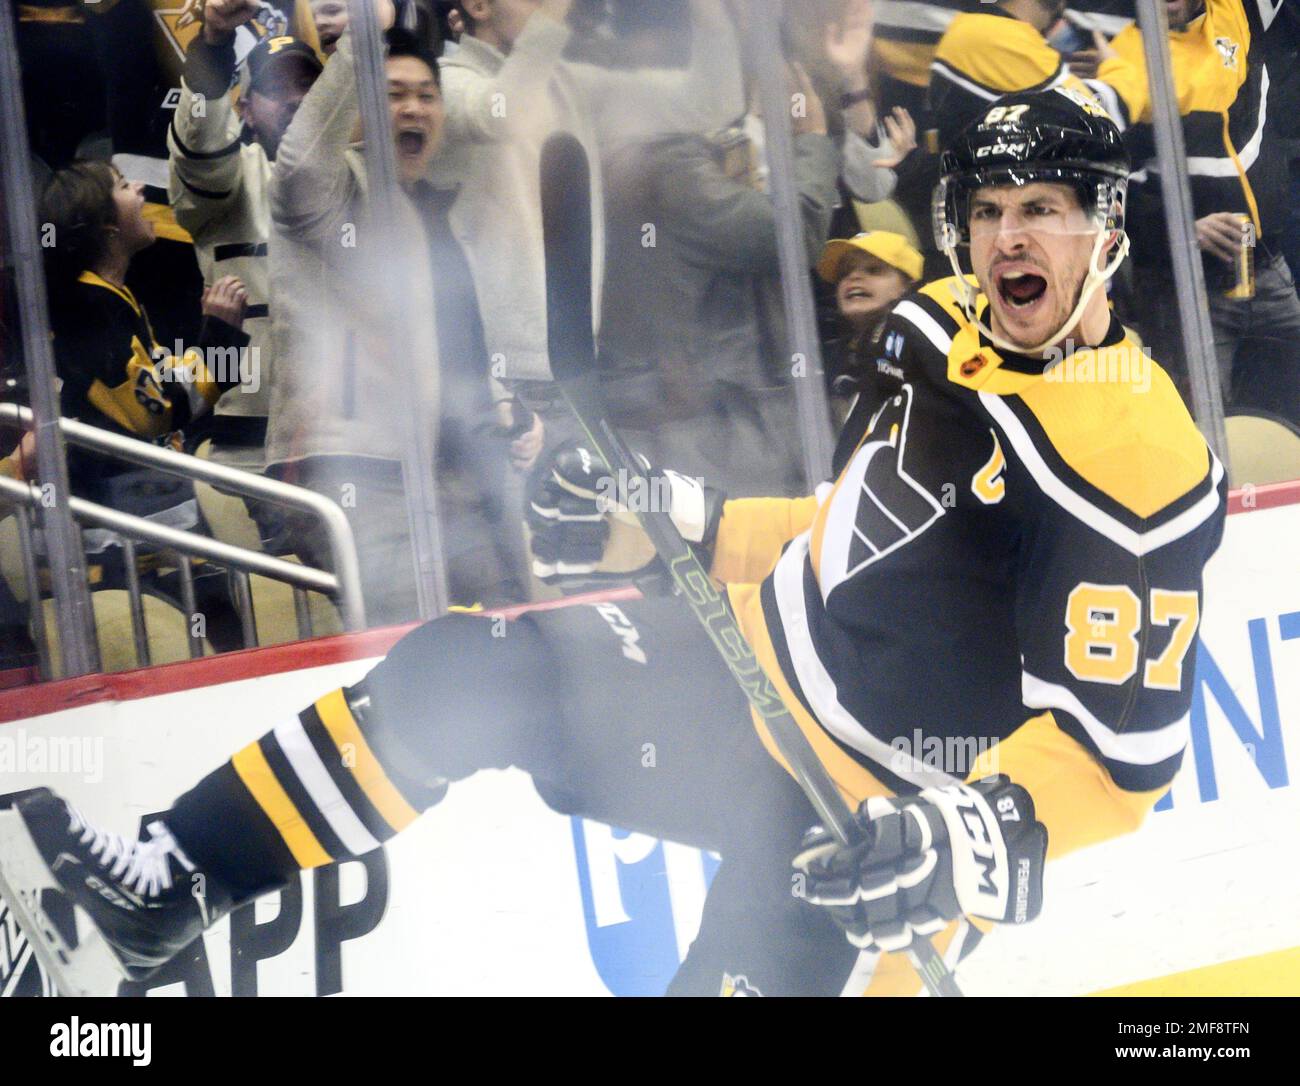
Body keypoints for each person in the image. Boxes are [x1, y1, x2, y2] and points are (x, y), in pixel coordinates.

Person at [0, 90, 1226, 998]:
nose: (1012, 241)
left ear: (1105, 229)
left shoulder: (1134, 455)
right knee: (466, 671)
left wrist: (970, 835)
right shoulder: (936, 324)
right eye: (994, 212)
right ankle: (169, 884)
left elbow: (1116, 758)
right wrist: (682, 517)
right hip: (740, 679)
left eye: (1048, 213)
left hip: (875, 816)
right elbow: (868, 532)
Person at [262, 14, 539, 622]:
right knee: (417, 659)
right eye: (391, 95)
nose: (413, 109)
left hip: (456, 477)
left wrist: (511, 412)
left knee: (519, 642)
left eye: (426, 95)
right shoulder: (334, 198)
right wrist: (362, 39)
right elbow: (302, 167)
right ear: (355, 110)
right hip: (361, 473)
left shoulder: (436, 211)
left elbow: (453, 349)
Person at [1094, 0, 1300, 425]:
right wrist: (1183, 231)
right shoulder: (1128, 59)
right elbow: (1106, 192)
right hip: (1184, 287)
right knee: (1200, 429)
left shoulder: (1237, 13)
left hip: (1264, 265)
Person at [39, 161, 250, 524]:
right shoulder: (88, 308)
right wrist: (221, 337)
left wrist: (223, 337)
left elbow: (156, 379)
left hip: (145, 508)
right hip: (117, 529)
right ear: (106, 224)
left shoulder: (109, 296)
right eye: (122, 185)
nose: (139, 187)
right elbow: (156, 411)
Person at [169, 11, 324, 489]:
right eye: (278, 89)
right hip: (250, 449)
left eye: (309, 87)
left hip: (348, 440)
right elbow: (201, 148)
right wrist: (213, 45)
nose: (297, 100)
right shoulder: (228, 184)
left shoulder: (358, 179)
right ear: (246, 110)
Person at [816, 230, 922, 423]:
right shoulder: (829, 355)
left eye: (873, 270)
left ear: (906, 286)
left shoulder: (920, 348)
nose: (854, 277)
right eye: (844, 273)